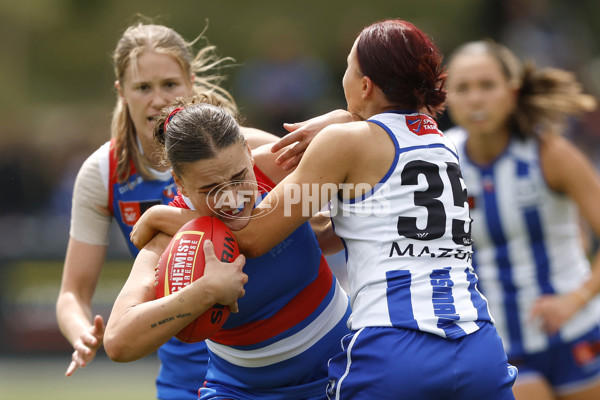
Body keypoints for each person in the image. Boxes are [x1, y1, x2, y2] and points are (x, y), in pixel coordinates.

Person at [133, 19, 518, 399]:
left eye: (349, 68)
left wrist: (162, 215)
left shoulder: (343, 142)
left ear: (364, 85)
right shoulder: (447, 145)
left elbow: (251, 236)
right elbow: (333, 232)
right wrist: (345, 117)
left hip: (394, 346)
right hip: (479, 344)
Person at [55, 22, 277, 400]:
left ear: (190, 83)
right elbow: (71, 293)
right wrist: (81, 332)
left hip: (263, 351)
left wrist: (163, 217)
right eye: (143, 87)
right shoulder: (102, 172)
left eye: (169, 85)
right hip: (183, 365)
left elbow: (320, 206)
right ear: (121, 92)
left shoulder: (242, 149)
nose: (157, 99)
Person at [104, 95, 352, 400]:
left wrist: (343, 120)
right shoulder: (169, 241)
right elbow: (118, 341)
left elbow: (375, 145)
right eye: (210, 190)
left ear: (248, 154)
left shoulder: (277, 168)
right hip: (240, 391)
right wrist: (205, 292)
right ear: (179, 184)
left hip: (344, 369)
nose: (232, 200)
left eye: (239, 178)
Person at [444, 40, 600, 400]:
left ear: (512, 92)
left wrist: (575, 299)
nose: (476, 99)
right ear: (448, 97)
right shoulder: (440, 159)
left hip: (575, 333)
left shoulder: (550, 154)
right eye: (463, 88)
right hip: (499, 345)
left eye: (487, 85)